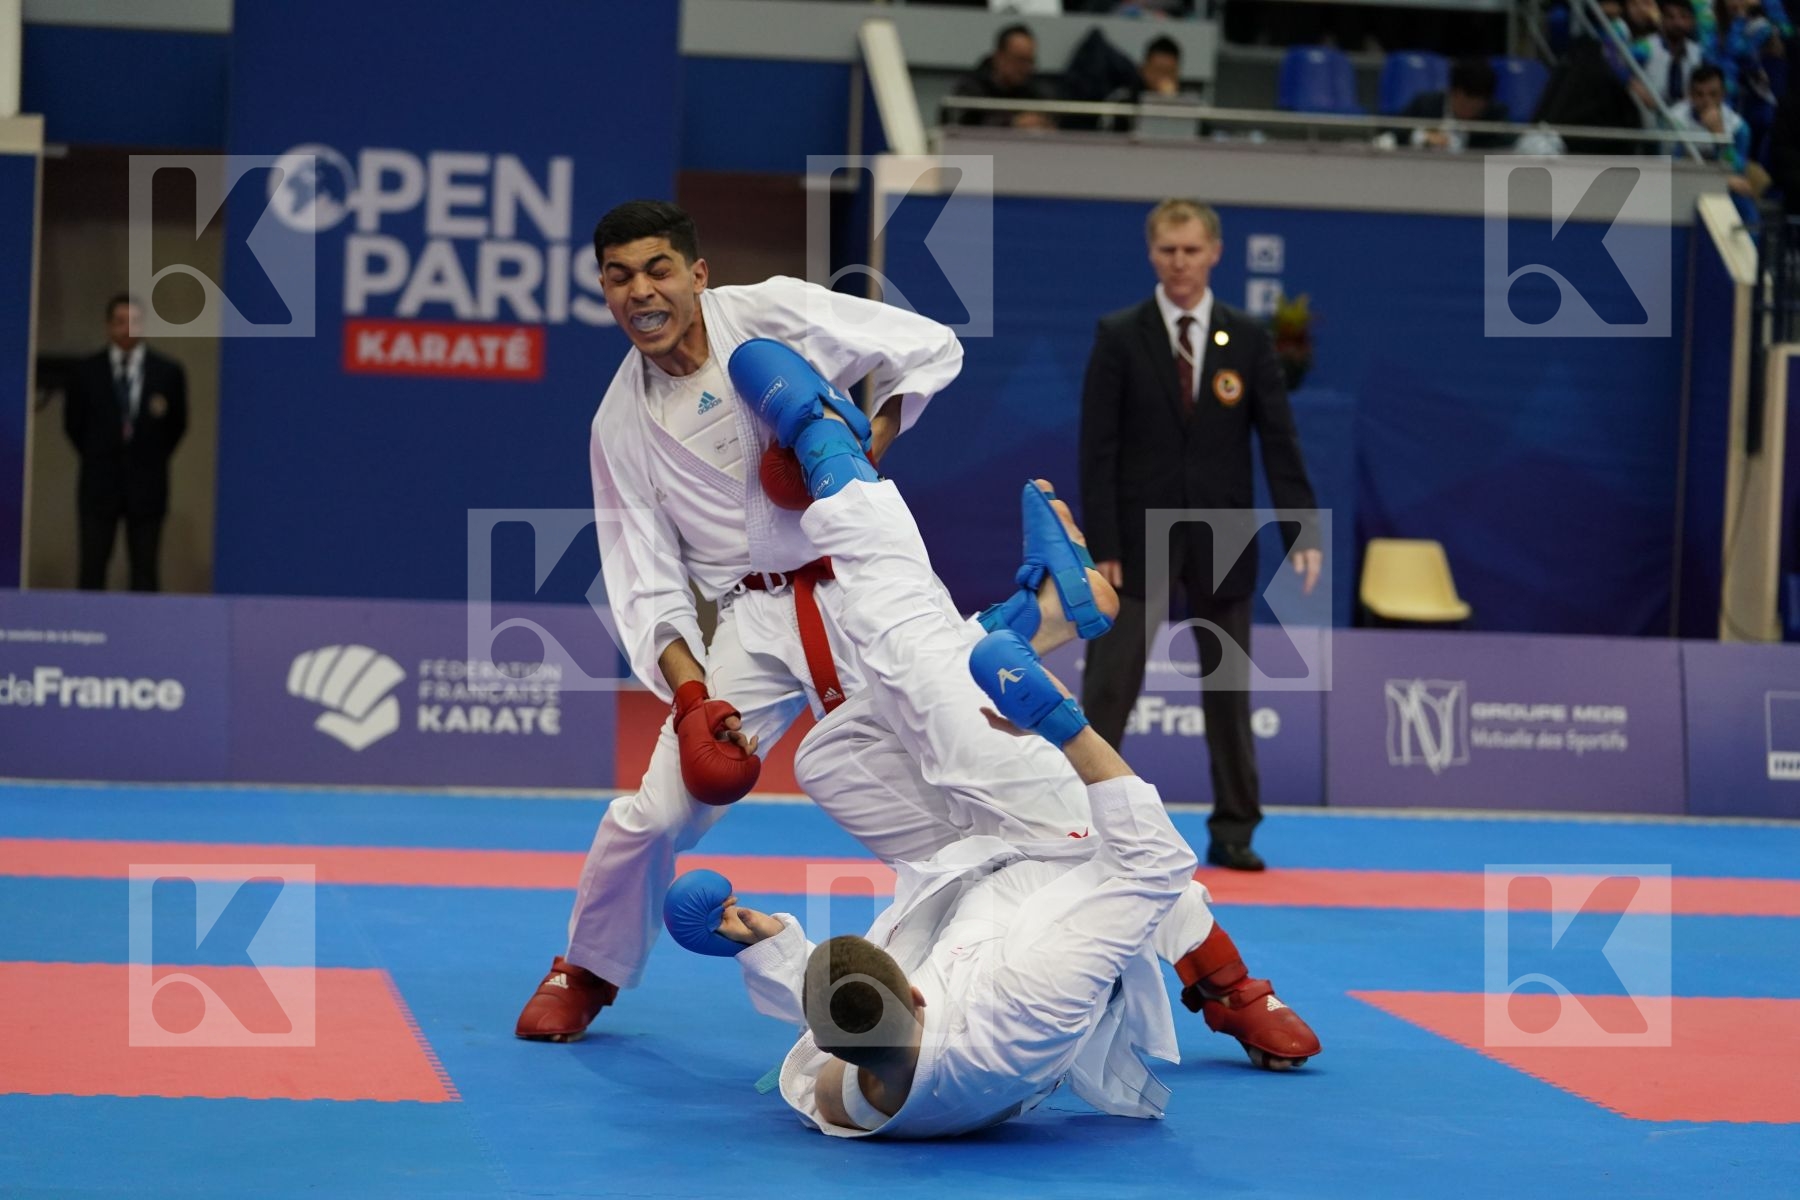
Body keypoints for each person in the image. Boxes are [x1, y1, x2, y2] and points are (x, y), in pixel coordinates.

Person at [516, 204, 1320, 1074]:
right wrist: (690, 695)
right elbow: (644, 582)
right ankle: (588, 969)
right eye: (620, 276)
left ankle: (1230, 983)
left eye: (658, 269)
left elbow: (929, 346)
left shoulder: (773, 314)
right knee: (661, 806)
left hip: (864, 571)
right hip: (752, 625)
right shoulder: (618, 425)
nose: (642, 291)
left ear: (697, 272)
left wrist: (870, 433)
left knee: (1020, 778)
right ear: (602, 287)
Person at [660, 365, 1318, 1137]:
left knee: (833, 756)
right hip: (1058, 854)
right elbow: (1154, 867)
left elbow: (842, 1026)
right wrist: (1064, 728)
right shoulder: (1030, 998)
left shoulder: (836, 1088)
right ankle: (831, 446)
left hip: (970, 862)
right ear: (917, 999)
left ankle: (1037, 614)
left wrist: (767, 945)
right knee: (912, 654)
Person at [1078, 200, 1320, 873]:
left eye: (1190, 250)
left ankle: (1235, 830)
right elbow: (1098, 446)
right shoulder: (1120, 334)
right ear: (1151, 254)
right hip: (1136, 537)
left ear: (1214, 252)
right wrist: (1104, 543)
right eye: (1167, 251)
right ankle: (1081, 821)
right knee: (1108, 691)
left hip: (1222, 532)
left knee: (1228, 694)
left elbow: (1278, 437)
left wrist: (1300, 525)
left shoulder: (1247, 337)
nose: (1179, 263)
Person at [63, 294, 187, 592]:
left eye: (133, 322)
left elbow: (176, 427)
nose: (127, 329)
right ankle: (87, 634)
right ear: (108, 326)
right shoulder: (86, 372)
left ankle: (146, 635)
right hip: (99, 485)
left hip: (147, 487)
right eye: (120, 322)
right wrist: (102, 454)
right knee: (92, 568)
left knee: (145, 570)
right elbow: (74, 426)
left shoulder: (167, 373)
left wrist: (145, 457)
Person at [947, 24, 1060, 130]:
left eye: (1030, 61)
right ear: (999, 57)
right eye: (1019, 60)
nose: (1025, 68)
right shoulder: (970, 88)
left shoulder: (1038, 91)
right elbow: (961, 128)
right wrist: (1011, 124)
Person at [1393, 57, 1513, 152]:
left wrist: (1463, 144)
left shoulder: (1496, 115)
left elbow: (1506, 145)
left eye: (1477, 107)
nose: (1470, 111)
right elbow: (1394, 133)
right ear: (1453, 92)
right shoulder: (1424, 104)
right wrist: (1422, 137)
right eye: (1465, 104)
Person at [1646, 0, 1706, 106]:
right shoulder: (1646, 46)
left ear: (1692, 21)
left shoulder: (1698, 52)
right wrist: (1634, 85)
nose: (1677, 23)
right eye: (1670, 17)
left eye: (1683, 17)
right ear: (1661, 19)